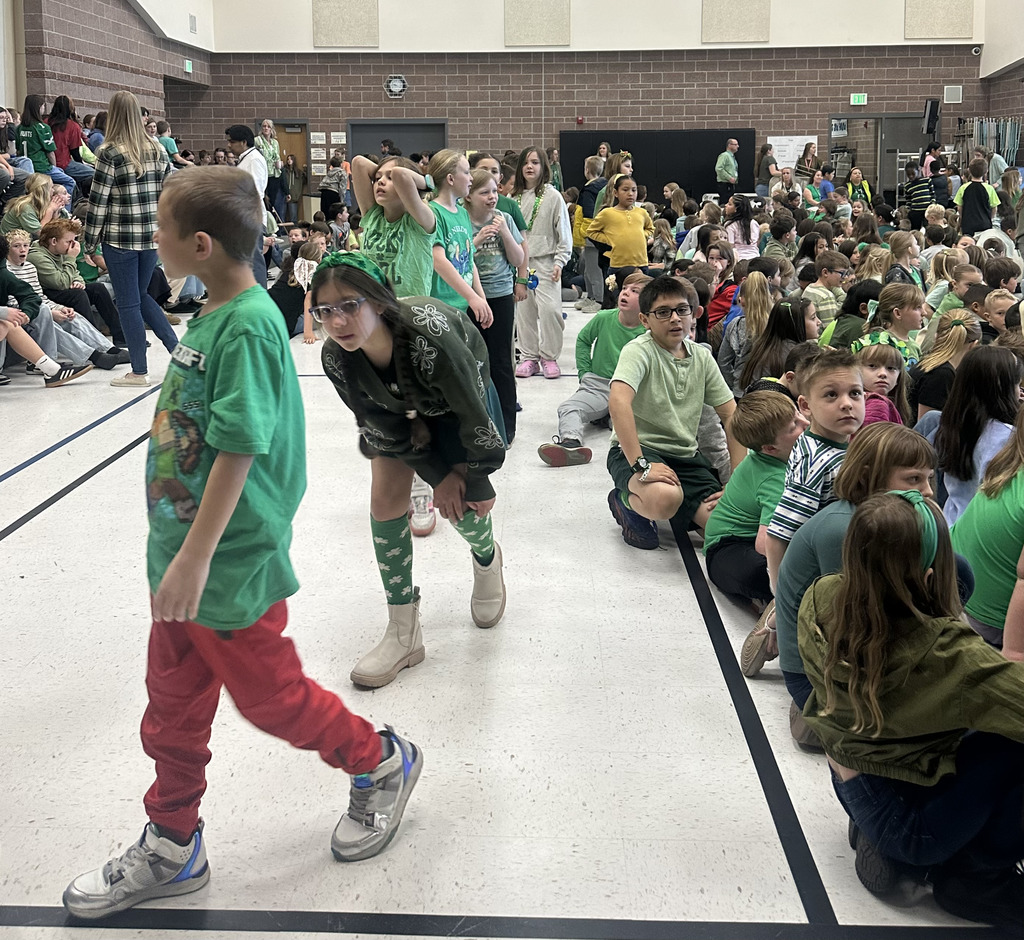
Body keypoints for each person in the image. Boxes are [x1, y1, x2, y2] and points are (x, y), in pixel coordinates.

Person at [61, 168, 422, 922]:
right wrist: (178, 555)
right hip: (181, 562)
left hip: (225, 564)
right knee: (170, 713)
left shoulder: (251, 325)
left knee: (273, 701)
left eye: (158, 231)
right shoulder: (212, 313)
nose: (150, 242)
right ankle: (172, 843)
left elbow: (240, 444)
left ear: (199, 245)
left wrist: (196, 558)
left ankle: (381, 761)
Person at [800, 490, 1024, 931]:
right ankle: (977, 878)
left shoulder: (822, 594)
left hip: (852, 774)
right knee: (1011, 743)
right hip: (911, 825)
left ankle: (877, 836)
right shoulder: (951, 657)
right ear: (927, 580)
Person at [314, 251, 507, 686]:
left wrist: (472, 477)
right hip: (397, 416)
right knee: (385, 501)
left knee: (464, 507)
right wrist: (436, 476)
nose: (338, 321)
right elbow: (379, 426)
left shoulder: (430, 334)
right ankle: (403, 628)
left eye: (350, 305)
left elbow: (473, 411)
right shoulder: (335, 357)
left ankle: (487, 559)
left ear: (379, 300)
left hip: (457, 408)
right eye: (324, 311)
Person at [762, 424, 936, 700]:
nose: (927, 491)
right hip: (814, 670)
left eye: (929, 479)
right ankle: (811, 708)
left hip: (855, 636)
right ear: (868, 476)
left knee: (958, 570)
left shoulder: (891, 522)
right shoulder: (842, 529)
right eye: (913, 479)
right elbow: (849, 624)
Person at [606, 276, 745, 550]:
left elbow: (731, 416)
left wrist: (736, 480)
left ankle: (681, 507)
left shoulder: (701, 357)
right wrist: (641, 464)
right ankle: (624, 501)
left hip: (686, 459)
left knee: (727, 526)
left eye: (681, 310)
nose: (674, 318)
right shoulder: (639, 351)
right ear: (645, 320)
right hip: (638, 452)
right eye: (663, 312)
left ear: (693, 314)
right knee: (664, 498)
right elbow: (619, 402)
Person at [83, 90, 179, 386]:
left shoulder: (109, 152)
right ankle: (180, 354)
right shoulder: (157, 148)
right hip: (151, 237)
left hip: (119, 239)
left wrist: (89, 242)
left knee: (128, 304)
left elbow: (98, 201)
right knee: (140, 295)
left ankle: (139, 371)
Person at [764, 348, 866, 592]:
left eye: (855, 393)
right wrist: (781, 595)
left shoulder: (831, 442)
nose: (846, 404)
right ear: (806, 405)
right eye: (831, 395)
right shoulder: (815, 461)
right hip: (818, 578)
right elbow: (778, 535)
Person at [703, 391, 808, 607]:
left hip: (750, 538)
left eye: (798, 414)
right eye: (794, 427)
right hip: (726, 548)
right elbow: (766, 544)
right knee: (769, 575)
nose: (805, 422)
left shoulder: (778, 454)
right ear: (770, 448)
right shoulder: (774, 479)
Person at [538, 271, 650, 467]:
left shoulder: (649, 331)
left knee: (629, 424)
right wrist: (585, 372)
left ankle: (620, 437)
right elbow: (583, 339)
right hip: (598, 385)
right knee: (569, 408)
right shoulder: (604, 317)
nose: (625, 293)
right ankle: (571, 443)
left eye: (635, 291)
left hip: (632, 391)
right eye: (624, 288)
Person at [465, 167, 525, 442]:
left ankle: (506, 425)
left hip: (500, 295)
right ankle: (477, 420)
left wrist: (505, 234)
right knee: (472, 359)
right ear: (468, 195)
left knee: (500, 360)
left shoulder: (505, 218)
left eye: (494, 191)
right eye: (484, 192)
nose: (491, 197)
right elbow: (457, 259)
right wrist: (476, 241)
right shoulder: (461, 219)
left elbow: (517, 259)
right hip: (469, 297)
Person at [933, 345, 1021, 525]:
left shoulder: (953, 425)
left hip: (952, 522)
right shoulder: (1007, 437)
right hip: (982, 529)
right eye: (1017, 385)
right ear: (1002, 388)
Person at [512, 146, 572, 379]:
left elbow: (563, 232)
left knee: (550, 311)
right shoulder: (512, 198)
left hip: (547, 262)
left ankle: (549, 356)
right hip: (519, 263)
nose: (530, 167)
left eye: (535, 162)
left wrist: (560, 261)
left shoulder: (553, 196)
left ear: (544, 167)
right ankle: (529, 357)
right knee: (524, 313)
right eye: (526, 162)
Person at [908, 312, 982, 424]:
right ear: (974, 345)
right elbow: (927, 426)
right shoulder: (941, 374)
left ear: (936, 337)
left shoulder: (928, 364)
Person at [224, 123, 270, 288]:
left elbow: (255, 191)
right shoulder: (246, 159)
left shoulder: (254, 159)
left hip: (250, 216)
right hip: (244, 216)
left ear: (244, 142)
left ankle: (259, 296)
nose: (229, 145)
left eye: (232, 141)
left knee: (253, 261)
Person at [585, 175, 654, 273]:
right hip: (617, 265)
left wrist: (642, 235)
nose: (630, 194)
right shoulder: (607, 213)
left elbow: (650, 228)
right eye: (625, 190)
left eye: (634, 190)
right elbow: (591, 231)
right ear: (615, 193)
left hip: (641, 263)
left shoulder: (642, 212)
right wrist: (608, 239)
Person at [14, 94, 76, 197]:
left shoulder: (19, 128)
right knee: (70, 182)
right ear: (39, 107)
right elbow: (50, 153)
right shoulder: (42, 128)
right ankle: (61, 206)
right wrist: (54, 167)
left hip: (25, 167)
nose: (44, 108)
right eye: (43, 106)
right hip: (41, 166)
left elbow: (18, 150)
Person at [955, 157, 1000, 239]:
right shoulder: (989, 188)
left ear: (969, 171)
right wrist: (990, 218)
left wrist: (962, 217)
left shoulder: (963, 188)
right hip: (984, 224)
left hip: (968, 223)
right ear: (986, 171)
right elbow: (994, 207)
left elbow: (959, 207)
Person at [255, 118, 286, 220]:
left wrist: (280, 164)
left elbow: (277, 157)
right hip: (263, 174)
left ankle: (271, 222)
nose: (266, 128)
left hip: (274, 174)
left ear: (272, 129)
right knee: (264, 200)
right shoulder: (257, 140)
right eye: (264, 126)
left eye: (268, 126)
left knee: (272, 202)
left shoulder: (275, 142)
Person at [282, 153, 306, 224]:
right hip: (284, 195)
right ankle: (283, 229)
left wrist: (305, 170)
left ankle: (294, 228)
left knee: (293, 217)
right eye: (288, 159)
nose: (289, 161)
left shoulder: (298, 172)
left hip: (293, 197)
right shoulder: (284, 171)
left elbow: (305, 180)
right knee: (282, 216)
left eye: (291, 159)